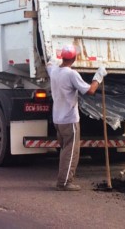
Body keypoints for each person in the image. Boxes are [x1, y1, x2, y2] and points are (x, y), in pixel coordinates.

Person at [46, 45, 107, 191]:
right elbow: (91, 91)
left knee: (65, 150)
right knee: (71, 151)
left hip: (58, 119)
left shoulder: (53, 71)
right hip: (69, 120)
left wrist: (52, 57)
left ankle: (64, 179)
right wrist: (98, 77)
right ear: (74, 58)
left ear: (62, 57)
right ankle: (64, 182)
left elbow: (49, 63)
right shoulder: (71, 74)